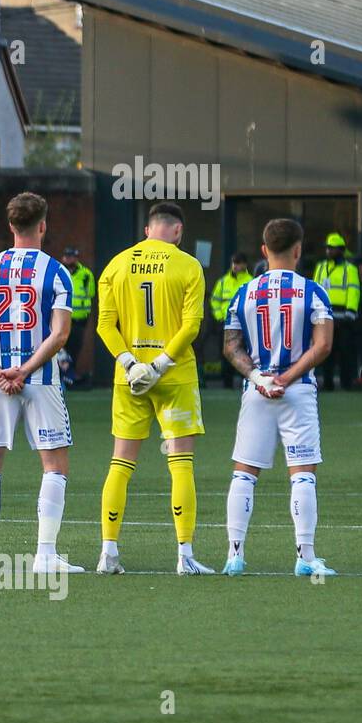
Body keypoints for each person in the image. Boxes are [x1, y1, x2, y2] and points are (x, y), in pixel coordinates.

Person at [0, 193, 83, 574]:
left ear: (10, 226)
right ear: (42, 225)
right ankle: (45, 555)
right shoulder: (57, 272)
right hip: (41, 378)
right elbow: (60, 335)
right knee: (54, 466)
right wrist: (26, 370)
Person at [94, 201, 211, 575]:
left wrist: (131, 364)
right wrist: (160, 365)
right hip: (174, 377)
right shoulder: (189, 265)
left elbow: (104, 326)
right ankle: (185, 555)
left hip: (129, 379)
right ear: (177, 231)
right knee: (180, 464)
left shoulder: (116, 264)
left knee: (120, 463)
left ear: (148, 230)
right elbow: (191, 326)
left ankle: (108, 552)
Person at [221, 218, 336, 578]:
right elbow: (324, 344)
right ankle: (305, 556)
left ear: (263, 250)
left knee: (244, 473)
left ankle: (234, 556)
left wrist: (259, 378)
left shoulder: (245, 292)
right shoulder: (313, 291)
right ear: (299, 250)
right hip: (297, 391)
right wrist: (286, 377)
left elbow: (231, 347)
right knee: (302, 475)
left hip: (257, 392)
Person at [313, 233, 360, 391]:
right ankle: (327, 384)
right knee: (326, 351)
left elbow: (353, 291)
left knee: (345, 351)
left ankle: (347, 384)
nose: (328, 251)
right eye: (327, 248)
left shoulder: (350, 269)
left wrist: (350, 313)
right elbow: (315, 290)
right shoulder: (320, 267)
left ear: (341, 250)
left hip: (343, 317)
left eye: (332, 248)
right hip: (324, 314)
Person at [209, 252, 253, 389]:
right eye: (234, 263)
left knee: (244, 351)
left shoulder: (250, 281)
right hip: (225, 323)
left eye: (238, 263)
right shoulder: (223, 282)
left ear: (244, 265)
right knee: (227, 353)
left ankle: (244, 380)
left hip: (244, 323)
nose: (235, 266)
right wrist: (218, 316)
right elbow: (214, 300)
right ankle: (227, 383)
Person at [60, 247, 94, 386]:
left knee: (75, 348)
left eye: (72, 256)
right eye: (67, 256)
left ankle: (70, 376)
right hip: (62, 318)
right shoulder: (59, 272)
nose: (69, 259)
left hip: (79, 319)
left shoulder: (86, 274)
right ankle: (63, 376)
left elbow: (90, 294)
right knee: (61, 349)